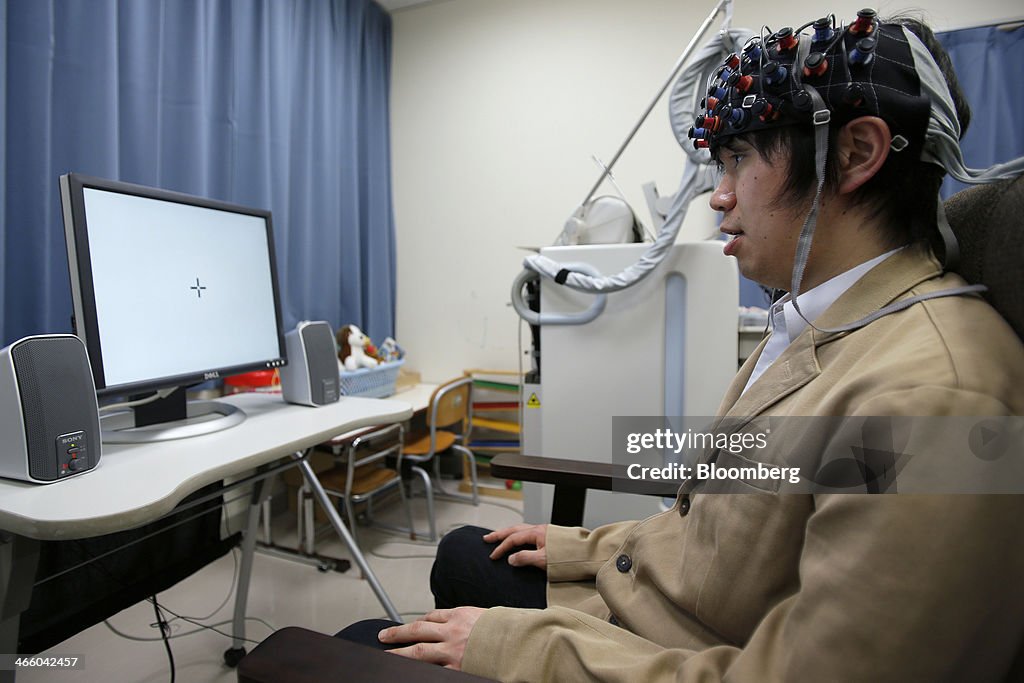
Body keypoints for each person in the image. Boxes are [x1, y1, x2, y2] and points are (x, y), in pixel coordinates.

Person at [338, 10, 1024, 680]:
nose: (718, 196)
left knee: (353, 644)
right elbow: (722, 521)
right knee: (466, 548)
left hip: (678, 649)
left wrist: (515, 649)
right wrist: (584, 544)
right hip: (658, 602)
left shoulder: (936, 400)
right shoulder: (816, 322)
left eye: (740, 159)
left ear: (855, 153)